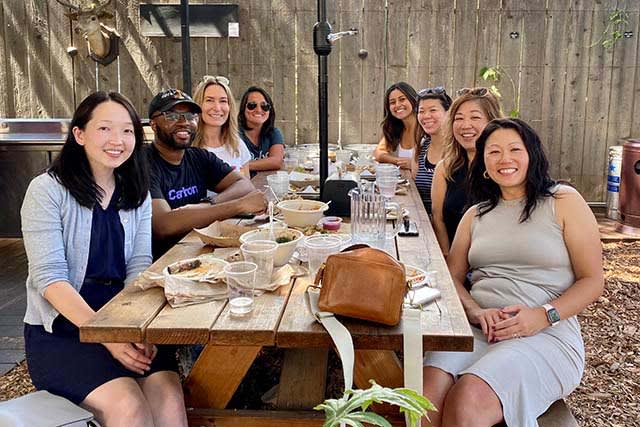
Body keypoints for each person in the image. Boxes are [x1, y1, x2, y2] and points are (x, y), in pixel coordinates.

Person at [422, 118, 604, 427]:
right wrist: (477, 312)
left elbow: (593, 281)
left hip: (545, 333)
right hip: (480, 330)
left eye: (514, 149)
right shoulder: (475, 215)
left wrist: (543, 315)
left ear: (531, 155)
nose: (504, 159)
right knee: (423, 400)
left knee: (468, 400)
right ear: (483, 163)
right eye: (493, 152)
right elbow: (450, 278)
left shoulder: (563, 202)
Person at [21, 91, 188, 427]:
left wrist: (140, 328)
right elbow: (50, 280)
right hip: (65, 329)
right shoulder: (47, 191)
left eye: (127, 131)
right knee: (128, 404)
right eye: (105, 129)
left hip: (122, 318)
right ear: (79, 134)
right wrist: (109, 338)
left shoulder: (135, 189)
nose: (118, 140)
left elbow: (140, 264)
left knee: (168, 396)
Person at [145, 88, 266, 258]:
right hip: (165, 262)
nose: (183, 122)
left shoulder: (198, 157)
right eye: (171, 116)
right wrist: (239, 205)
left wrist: (209, 203)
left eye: (190, 116)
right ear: (153, 124)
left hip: (202, 252)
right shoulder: (143, 164)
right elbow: (164, 225)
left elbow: (244, 185)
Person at [431, 87, 503, 257]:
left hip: (494, 264)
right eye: (459, 118)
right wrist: (448, 259)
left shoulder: (504, 168)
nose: (465, 125)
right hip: (454, 263)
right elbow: (438, 219)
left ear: (492, 122)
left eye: (475, 117)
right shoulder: (445, 168)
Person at [192, 75, 253, 177]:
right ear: (198, 105)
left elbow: (247, 186)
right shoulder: (186, 148)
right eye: (209, 100)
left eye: (223, 101)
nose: (217, 107)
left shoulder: (237, 144)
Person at [414, 87, 452, 215]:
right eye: (421, 111)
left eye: (433, 110)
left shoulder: (458, 151)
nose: (426, 116)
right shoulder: (422, 147)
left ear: (448, 113)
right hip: (421, 222)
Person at [373, 82, 421, 169]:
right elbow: (378, 154)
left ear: (413, 99)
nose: (397, 105)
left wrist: (414, 165)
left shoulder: (426, 127)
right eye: (392, 102)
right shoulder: (395, 128)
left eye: (402, 99)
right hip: (404, 181)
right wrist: (397, 161)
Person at [238, 86, 285, 174]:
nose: (259, 110)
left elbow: (277, 161)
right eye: (252, 105)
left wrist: (244, 165)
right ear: (243, 109)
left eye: (264, 106)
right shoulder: (234, 134)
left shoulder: (274, 133)